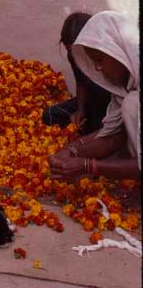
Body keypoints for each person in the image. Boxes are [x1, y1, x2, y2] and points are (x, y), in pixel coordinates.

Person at [49, 10, 140, 181]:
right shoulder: (123, 88)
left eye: (100, 59)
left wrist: (88, 166)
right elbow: (112, 136)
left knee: (132, 103)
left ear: (118, 51)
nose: (97, 68)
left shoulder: (132, 98)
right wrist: (71, 150)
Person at [42, 12, 111, 134]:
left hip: (111, 106)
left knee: (95, 131)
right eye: (69, 50)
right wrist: (81, 110)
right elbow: (81, 82)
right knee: (49, 115)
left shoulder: (105, 54)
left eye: (79, 50)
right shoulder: (73, 55)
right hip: (91, 101)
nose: (75, 55)